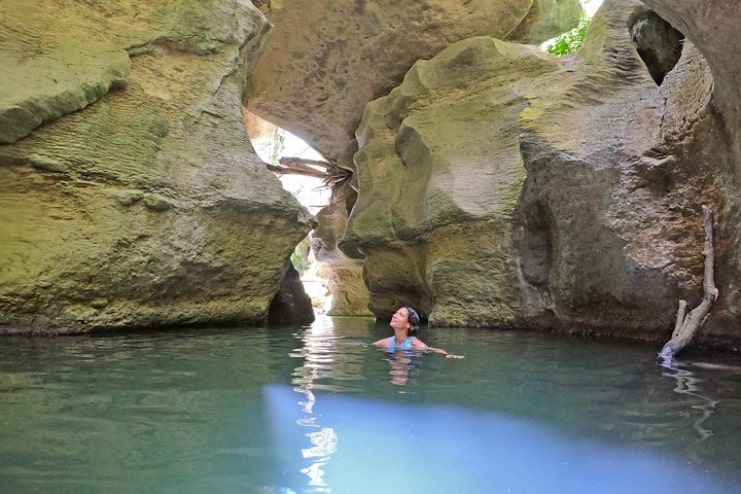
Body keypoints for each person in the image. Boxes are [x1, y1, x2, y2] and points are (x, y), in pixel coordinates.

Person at [374, 306, 464, 359]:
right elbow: (370, 345)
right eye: (396, 313)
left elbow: (431, 349)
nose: (394, 315)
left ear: (409, 325)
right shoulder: (387, 342)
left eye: (400, 315)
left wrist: (447, 355)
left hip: (410, 362)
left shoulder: (414, 343)